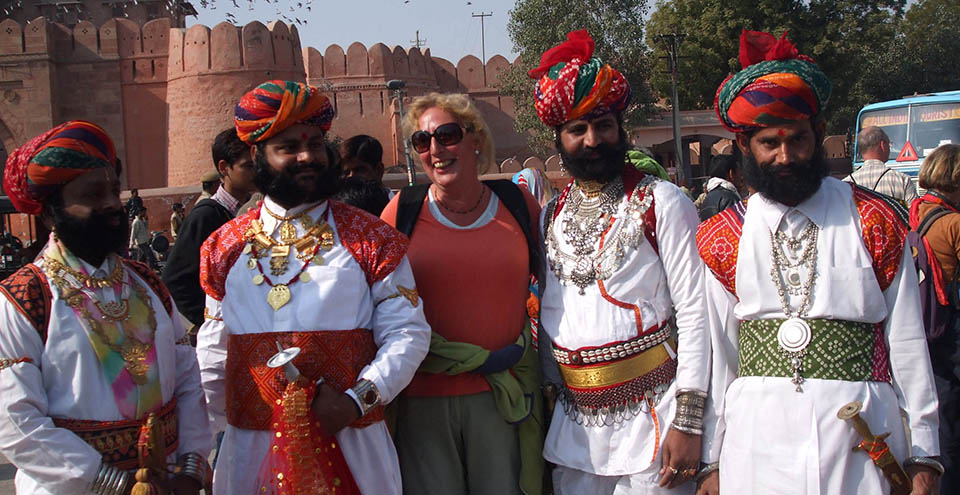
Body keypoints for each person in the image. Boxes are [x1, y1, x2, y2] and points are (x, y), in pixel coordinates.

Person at [697, 30, 940, 495]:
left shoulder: (873, 219)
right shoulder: (722, 236)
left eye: (798, 140)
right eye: (769, 143)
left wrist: (925, 453)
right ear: (745, 147)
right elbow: (720, 357)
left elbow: (908, 340)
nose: (785, 156)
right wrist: (712, 459)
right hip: (757, 445)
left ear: (818, 132)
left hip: (861, 439)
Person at [197, 80, 430, 494]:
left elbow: (408, 334)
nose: (307, 155)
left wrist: (357, 400)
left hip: (352, 443)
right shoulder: (223, 248)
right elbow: (213, 356)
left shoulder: (371, 238)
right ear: (258, 156)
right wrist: (214, 434)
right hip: (251, 452)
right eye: (289, 147)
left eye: (315, 143)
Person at [531, 30, 710, 494]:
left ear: (620, 127)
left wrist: (688, 422)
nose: (593, 140)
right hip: (574, 430)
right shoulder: (551, 213)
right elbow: (554, 314)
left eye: (604, 125)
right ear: (559, 138)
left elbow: (695, 314)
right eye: (578, 129)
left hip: (656, 421)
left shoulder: (663, 202)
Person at [0, 120, 211, 494]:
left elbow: (187, 380)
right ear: (51, 213)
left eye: (113, 190)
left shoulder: (146, 281)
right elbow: (14, 421)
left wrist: (192, 467)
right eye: (94, 194)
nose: (113, 204)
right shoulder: (25, 297)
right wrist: (113, 484)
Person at [381, 92, 544, 495]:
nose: (435, 149)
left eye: (447, 135)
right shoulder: (401, 212)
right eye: (422, 141)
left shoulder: (517, 204)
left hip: (502, 396)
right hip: (423, 401)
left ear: (475, 140)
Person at [162, 128, 257, 331]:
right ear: (224, 168)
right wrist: (212, 322)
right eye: (248, 166)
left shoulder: (252, 211)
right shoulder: (206, 217)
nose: (255, 172)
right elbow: (176, 279)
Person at [910, 143, 960, 493]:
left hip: (928, 321)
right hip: (952, 322)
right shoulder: (954, 222)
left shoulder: (918, 210)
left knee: (943, 415)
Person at [844, 126, 919, 204]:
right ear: (883, 145)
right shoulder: (903, 181)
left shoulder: (846, 185)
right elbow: (914, 213)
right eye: (889, 144)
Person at [698, 153, 744, 221]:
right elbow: (736, 226)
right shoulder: (730, 198)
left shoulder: (707, 198)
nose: (741, 176)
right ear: (731, 174)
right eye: (739, 171)